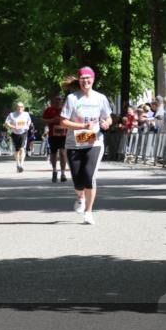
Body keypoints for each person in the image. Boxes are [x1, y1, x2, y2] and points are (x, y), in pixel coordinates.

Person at [59, 67, 113, 225]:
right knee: (77, 180)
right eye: (82, 78)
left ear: (93, 79)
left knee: (89, 175)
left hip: (94, 141)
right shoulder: (72, 98)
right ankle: (80, 196)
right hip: (73, 143)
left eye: (88, 78)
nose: (85, 81)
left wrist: (106, 123)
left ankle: (89, 212)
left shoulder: (100, 98)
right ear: (79, 80)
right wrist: (82, 126)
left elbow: (108, 118)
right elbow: (63, 122)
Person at [42, 95, 68, 182]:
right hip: (53, 135)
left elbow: (71, 120)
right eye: (56, 99)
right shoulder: (49, 110)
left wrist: (62, 121)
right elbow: (44, 120)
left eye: (60, 99)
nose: (58, 101)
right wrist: (52, 120)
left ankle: (63, 173)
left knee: (62, 153)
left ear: (62, 100)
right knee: (53, 153)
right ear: (54, 100)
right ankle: (54, 170)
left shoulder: (66, 109)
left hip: (64, 135)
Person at [4, 101, 32, 172]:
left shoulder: (26, 114)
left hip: (23, 132)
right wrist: (13, 126)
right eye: (18, 107)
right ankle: (17, 164)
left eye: (21, 107)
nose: (20, 108)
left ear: (23, 108)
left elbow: (29, 121)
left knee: (22, 148)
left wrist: (28, 125)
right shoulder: (12, 114)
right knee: (17, 150)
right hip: (15, 133)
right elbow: (6, 123)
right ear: (16, 107)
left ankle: (21, 165)